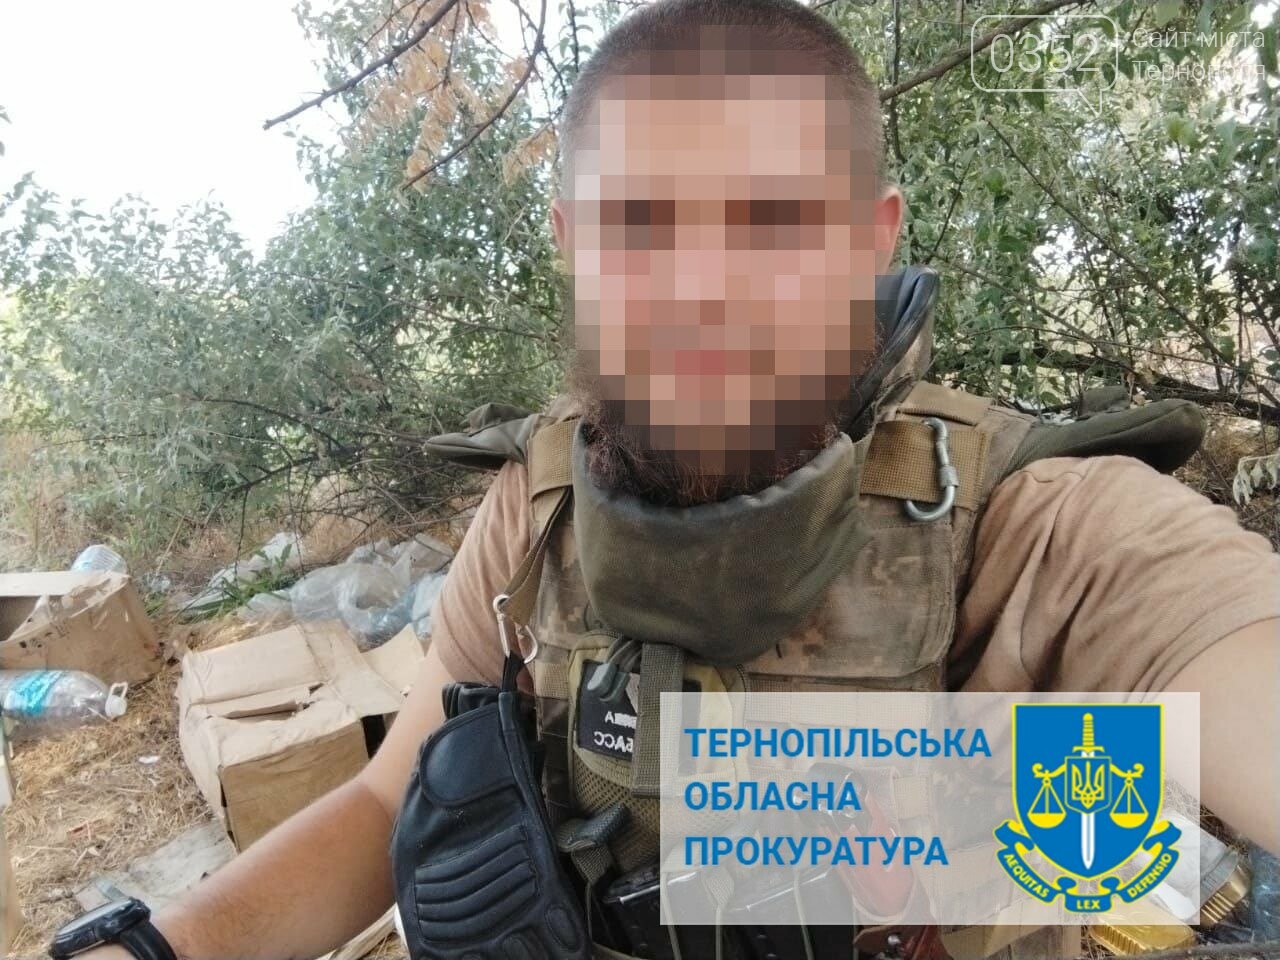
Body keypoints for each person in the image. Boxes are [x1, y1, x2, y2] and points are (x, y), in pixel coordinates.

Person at [59, 1, 1279, 958]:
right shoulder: (539, 508)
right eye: (638, 224)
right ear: (569, 243)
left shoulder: (1030, 524)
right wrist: (157, 947)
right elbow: (388, 805)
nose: (701, 290)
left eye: (773, 223)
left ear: (871, 238)